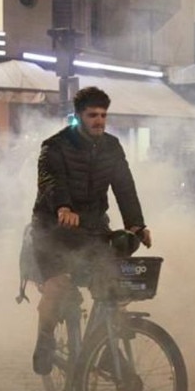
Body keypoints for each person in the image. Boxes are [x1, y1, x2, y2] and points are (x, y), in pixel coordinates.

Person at [30, 86, 152, 375]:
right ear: (78, 116)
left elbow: (124, 186)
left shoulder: (112, 146)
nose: (99, 120)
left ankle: (107, 349)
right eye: (93, 115)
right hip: (53, 231)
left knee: (114, 286)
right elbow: (51, 180)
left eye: (103, 115)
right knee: (57, 286)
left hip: (94, 229)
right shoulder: (55, 145)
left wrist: (136, 224)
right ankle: (45, 339)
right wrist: (63, 207)